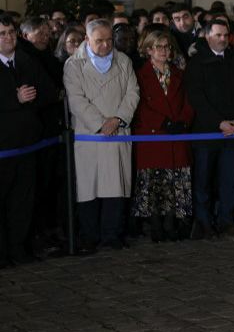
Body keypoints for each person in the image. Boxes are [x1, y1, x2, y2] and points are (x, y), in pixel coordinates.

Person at [64, 18, 140, 251]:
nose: (106, 45)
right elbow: (76, 100)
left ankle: (112, 235)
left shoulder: (124, 61)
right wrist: (100, 124)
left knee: (115, 186)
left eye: (109, 40)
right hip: (90, 136)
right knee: (90, 187)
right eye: (99, 41)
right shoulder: (73, 65)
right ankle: (89, 235)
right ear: (87, 40)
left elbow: (132, 93)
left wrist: (117, 119)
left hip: (117, 133)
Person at [185, 19, 234, 238]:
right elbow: (197, 98)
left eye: (225, 35)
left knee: (228, 181)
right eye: (218, 35)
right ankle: (203, 222)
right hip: (206, 132)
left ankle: (227, 219)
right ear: (207, 36)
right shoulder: (197, 63)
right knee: (203, 181)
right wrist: (219, 122)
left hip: (232, 133)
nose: (223, 39)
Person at [0, 14, 58, 266]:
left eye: (11, 32)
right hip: (3, 148)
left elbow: (48, 92)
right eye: (2, 34)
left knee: (23, 201)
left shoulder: (27, 60)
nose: (8, 38)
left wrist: (30, 98)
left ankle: (18, 248)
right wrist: (15, 100)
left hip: (28, 145)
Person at [132, 29, 194, 242]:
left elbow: (189, 101)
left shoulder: (178, 74)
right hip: (153, 137)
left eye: (167, 47)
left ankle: (172, 224)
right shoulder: (140, 75)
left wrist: (183, 121)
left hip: (176, 135)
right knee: (154, 183)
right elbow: (139, 106)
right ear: (149, 50)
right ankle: (155, 226)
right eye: (159, 47)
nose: (164, 51)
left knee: (175, 182)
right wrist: (162, 122)